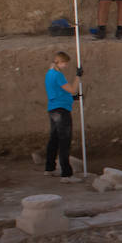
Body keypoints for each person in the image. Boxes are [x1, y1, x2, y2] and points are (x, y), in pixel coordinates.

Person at [44, 51, 81, 179]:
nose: (66, 65)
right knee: (64, 141)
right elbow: (72, 89)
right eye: (65, 63)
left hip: (53, 109)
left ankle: (49, 168)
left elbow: (58, 91)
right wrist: (78, 77)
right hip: (61, 111)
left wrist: (71, 97)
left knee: (54, 139)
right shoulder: (57, 75)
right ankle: (66, 174)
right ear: (59, 62)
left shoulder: (49, 74)